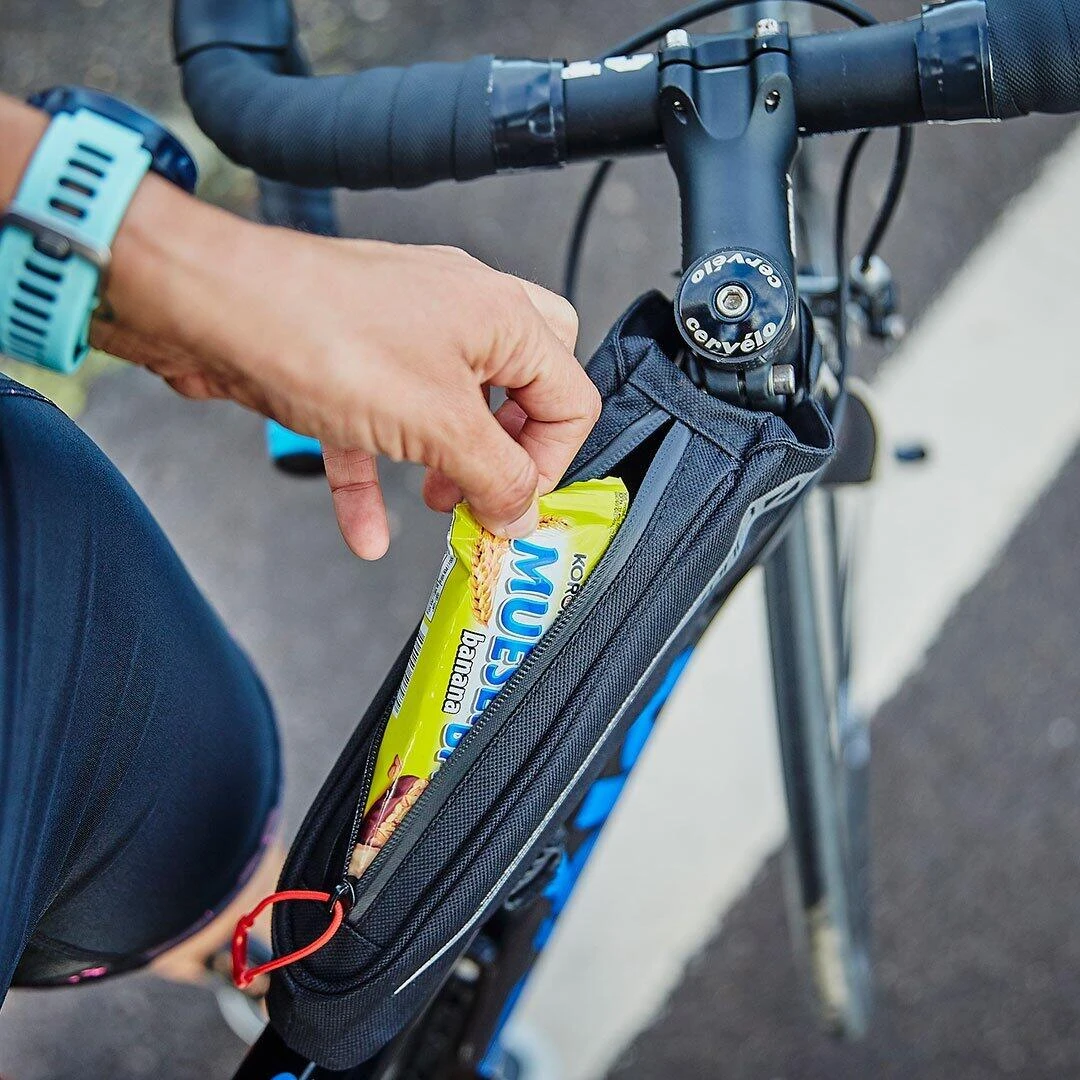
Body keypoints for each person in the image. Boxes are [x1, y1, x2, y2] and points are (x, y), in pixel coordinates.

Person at [0, 90, 599, 1003]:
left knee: (224, 874)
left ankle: (253, 951)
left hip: (67, 597)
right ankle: (259, 956)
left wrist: (200, 282)